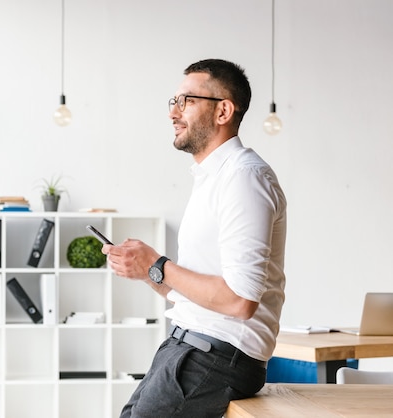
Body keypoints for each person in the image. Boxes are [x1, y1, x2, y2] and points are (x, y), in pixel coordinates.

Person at [103, 58, 287, 418]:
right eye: (173, 101)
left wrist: (159, 264)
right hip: (188, 345)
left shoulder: (244, 178)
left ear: (223, 111)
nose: (174, 112)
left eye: (186, 101)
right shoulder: (212, 178)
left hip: (216, 355)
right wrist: (148, 272)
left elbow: (240, 301)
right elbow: (199, 291)